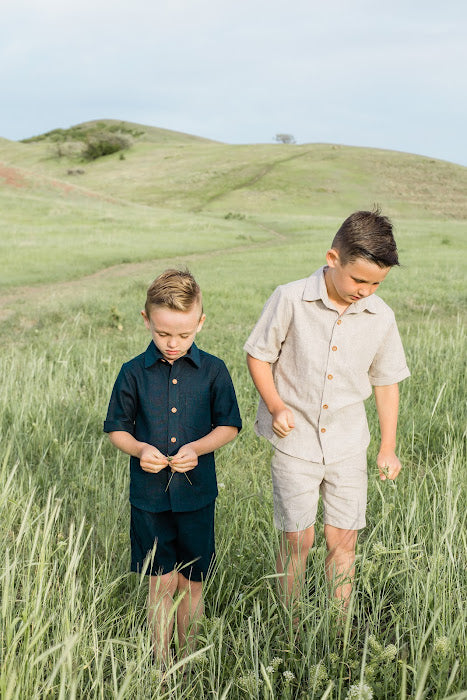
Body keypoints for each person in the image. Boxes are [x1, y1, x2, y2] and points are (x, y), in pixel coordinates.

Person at [244, 209, 410, 615]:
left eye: (376, 283)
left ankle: (338, 629)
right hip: (295, 441)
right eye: (359, 280)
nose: (366, 290)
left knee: (344, 540)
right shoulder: (289, 298)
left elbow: (387, 382)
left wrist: (388, 447)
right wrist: (276, 404)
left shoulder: (381, 316)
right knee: (297, 540)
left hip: (348, 444)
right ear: (333, 258)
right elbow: (258, 356)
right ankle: (291, 627)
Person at [104, 269, 241, 665]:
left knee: (193, 583)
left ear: (201, 322)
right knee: (161, 582)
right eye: (163, 334)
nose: (173, 344)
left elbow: (229, 426)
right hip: (148, 500)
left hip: (197, 496)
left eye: (184, 335)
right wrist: (139, 448)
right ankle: (161, 661)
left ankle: (189, 656)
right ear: (146, 320)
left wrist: (197, 448)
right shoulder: (132, 372)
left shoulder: (214, 371)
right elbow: (117, 429)